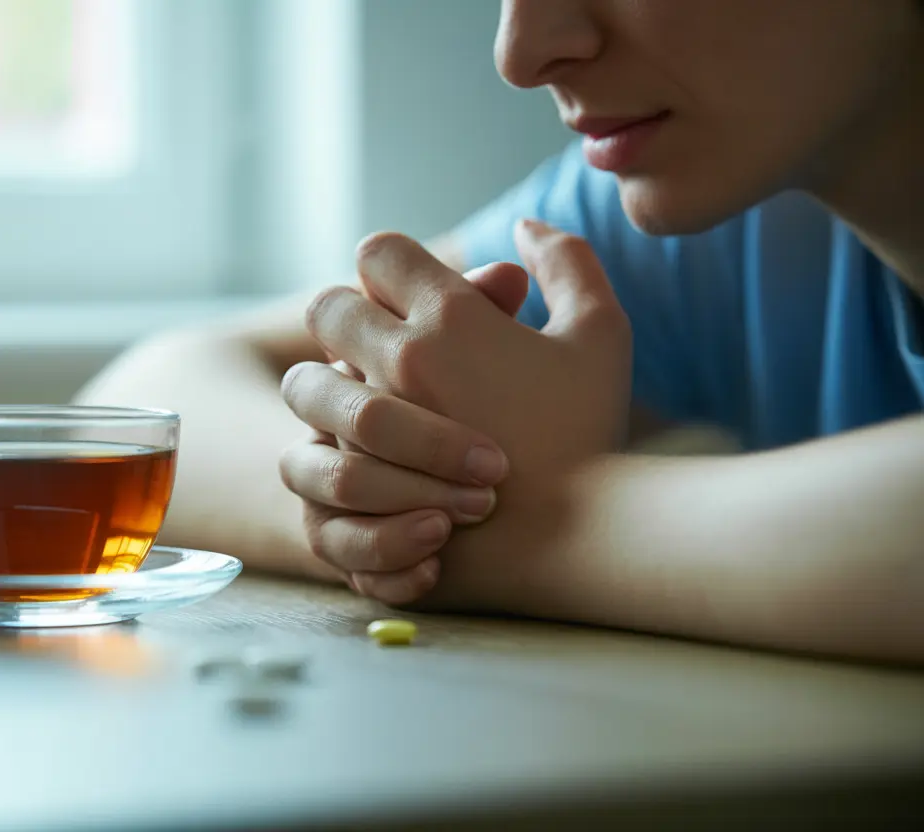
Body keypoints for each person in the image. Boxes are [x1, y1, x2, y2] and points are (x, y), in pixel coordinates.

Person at [78, 0, 924, 664]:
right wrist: (373, 512)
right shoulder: (741, 214)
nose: (521, 53)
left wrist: (534, 521)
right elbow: (141, 399)